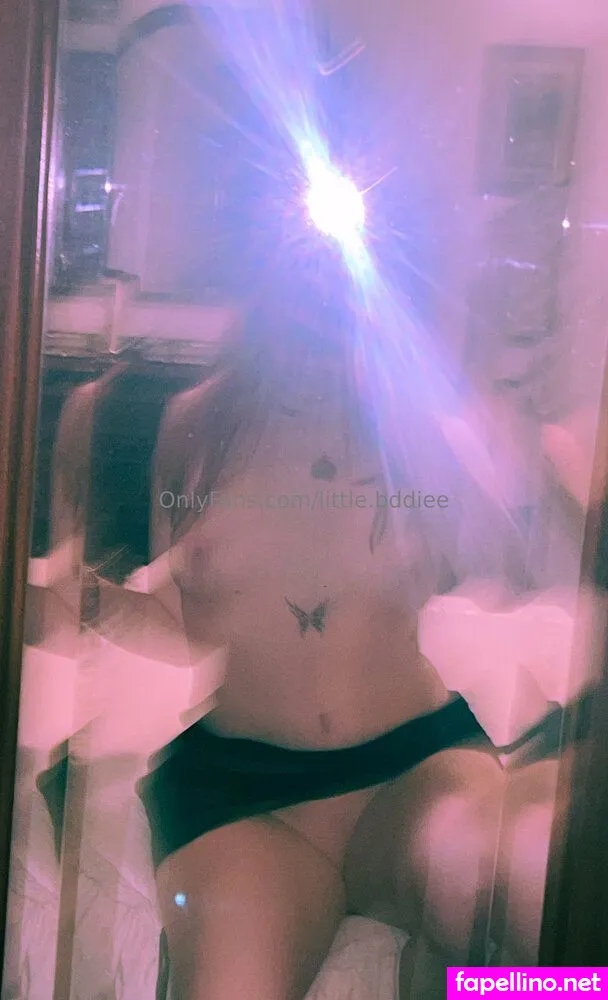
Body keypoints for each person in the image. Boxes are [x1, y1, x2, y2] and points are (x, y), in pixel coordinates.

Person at [136, 102, 576, 1000]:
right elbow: (171, 611)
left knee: (532, 931)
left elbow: (535, 558)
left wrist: (506, 404)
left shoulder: (418, 428)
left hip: (413, 769)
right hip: (247, 797)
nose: (319, 315)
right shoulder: (193, 428)